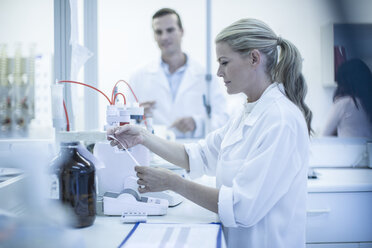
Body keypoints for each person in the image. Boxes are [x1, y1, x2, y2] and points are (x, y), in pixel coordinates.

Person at [108, 18, 312, 247]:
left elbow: (241, 208)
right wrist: (142, 136)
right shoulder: (248, 111)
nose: (218, 72)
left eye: (224, 62)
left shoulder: (280, 120)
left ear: (254, 58)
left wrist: (174, 183)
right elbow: (198, 155)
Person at [129, 8, 229, 138]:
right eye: (159, 32)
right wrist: (137, 116)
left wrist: (197, 123)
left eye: (170, 30)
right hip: (154, 151)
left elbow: (223, 118)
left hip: (193, 151)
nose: (164, 37)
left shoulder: (205, 75)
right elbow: (127, 121)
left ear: (181, 31)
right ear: (154, 36)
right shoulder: (139, 76)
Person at [322, 58, 372, 139]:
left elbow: (324, 135)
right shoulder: (368, 102)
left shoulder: (344, 103)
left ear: (343, 82)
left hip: (349, 150)